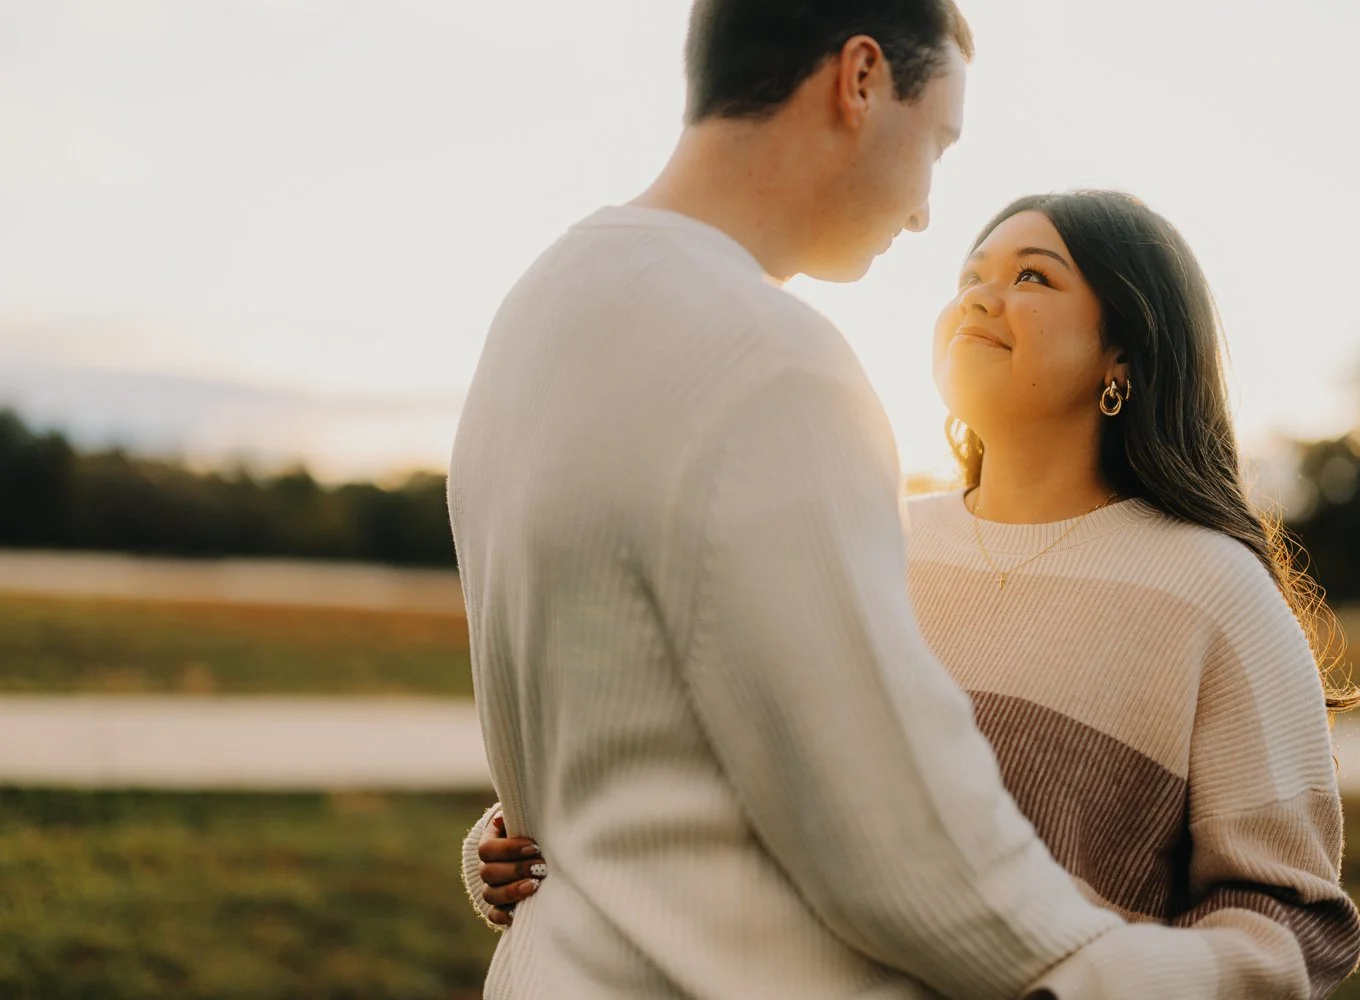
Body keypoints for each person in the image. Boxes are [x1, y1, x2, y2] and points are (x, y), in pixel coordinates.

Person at [450, 0, 1274, 994]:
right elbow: (902, 851)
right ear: (862, 80)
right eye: (938, 142)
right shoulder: (774, 366)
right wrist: (1153, 977)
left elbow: (623, 708)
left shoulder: (540, 305)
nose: (925, 210)